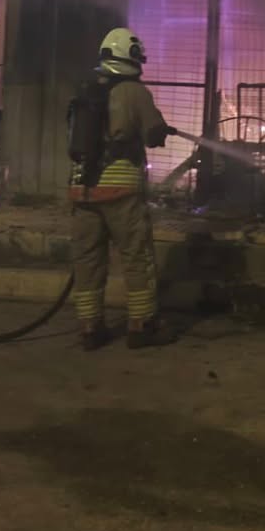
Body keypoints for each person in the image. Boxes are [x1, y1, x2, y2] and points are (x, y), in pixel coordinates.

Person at [67, 27, 176, 351]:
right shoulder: (134, 92)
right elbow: (152, 133)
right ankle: (142, 326)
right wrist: (160, 129)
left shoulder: (85, 90)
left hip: (82, 190)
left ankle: (90, 328)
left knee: (87, 260)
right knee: (136, 257)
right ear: (132, 56)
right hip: (120, 191)